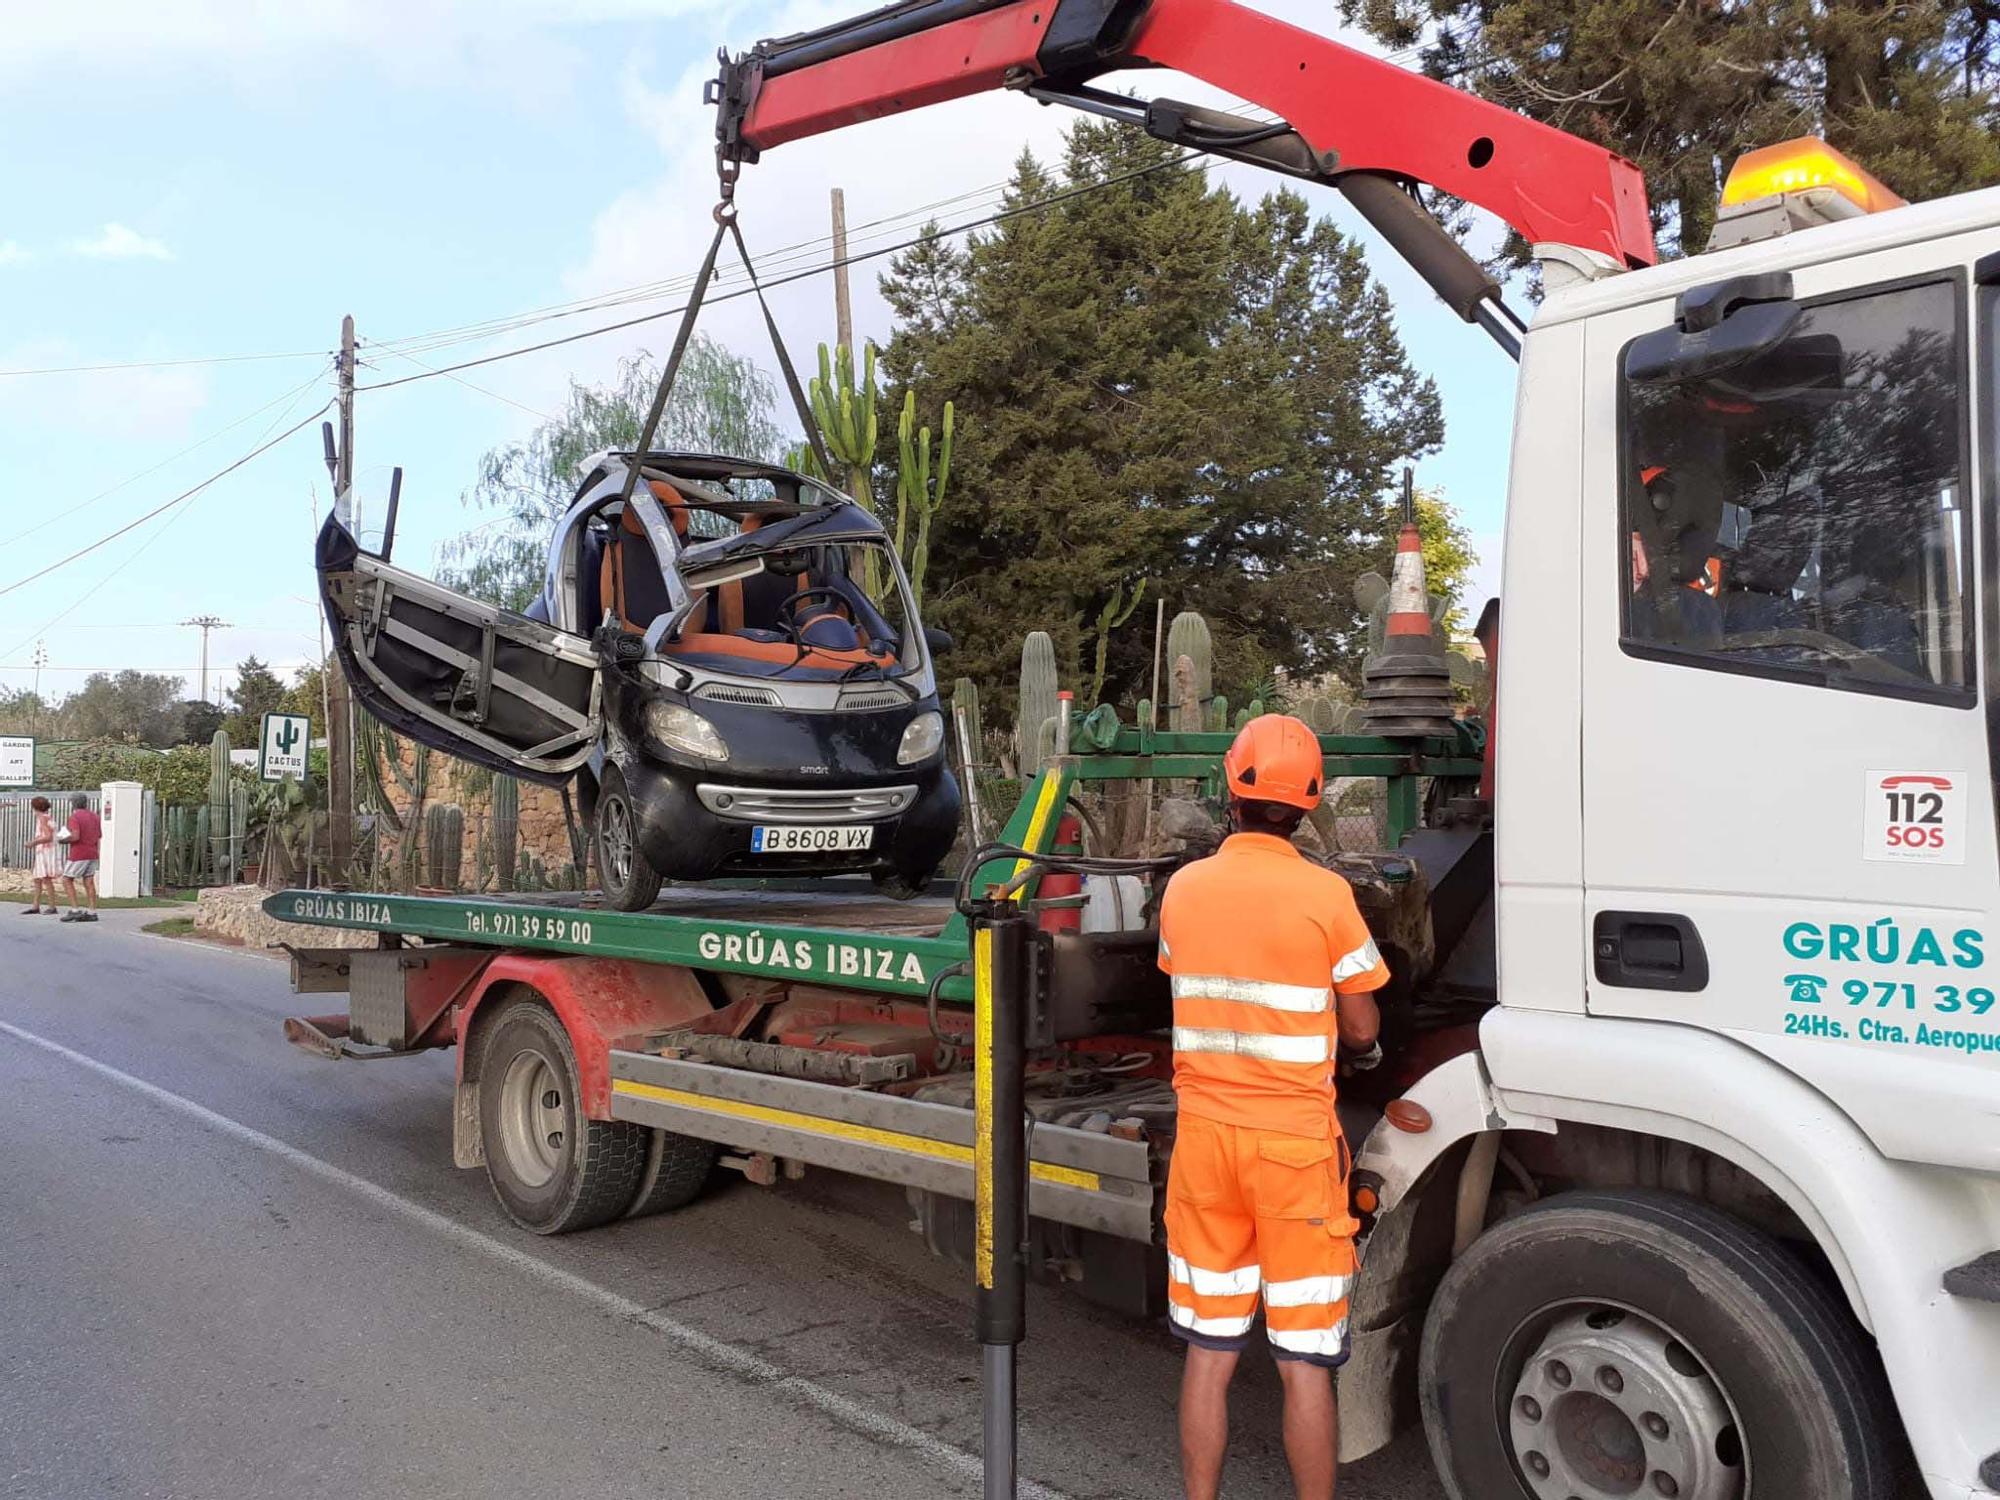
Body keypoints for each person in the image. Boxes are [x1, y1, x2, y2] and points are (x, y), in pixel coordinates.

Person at [1157, 714, 1387, 1500]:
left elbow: (1181, 976)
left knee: (1210, 1354)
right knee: (1303, 1365)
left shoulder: (1184, 889)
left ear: (1233, 790)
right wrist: (1359, 1045)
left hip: (1205, 1150)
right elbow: (1360, 1024)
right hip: (1294, 1156)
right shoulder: (1329, 896)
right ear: (1310, 803)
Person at [58, 793, 102, 923]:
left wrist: (62, 839)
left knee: (67, 879)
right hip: (93, 852)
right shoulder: (95, 816)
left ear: (73, 803)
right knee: (89, 881)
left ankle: (75, 910)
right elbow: (99, 835)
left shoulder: (74, 817)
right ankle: (92, 911)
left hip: (79, 853)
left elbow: (76, 836)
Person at [23, 795, 62, 915]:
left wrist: (33, 842)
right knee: (37, 878)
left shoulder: (42, 818)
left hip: (45, 851)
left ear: (35, 808)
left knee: (46, 878)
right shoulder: (48, 817)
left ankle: (52, 906)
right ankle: (36, 905)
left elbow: (47, 837)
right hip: (44, 850)